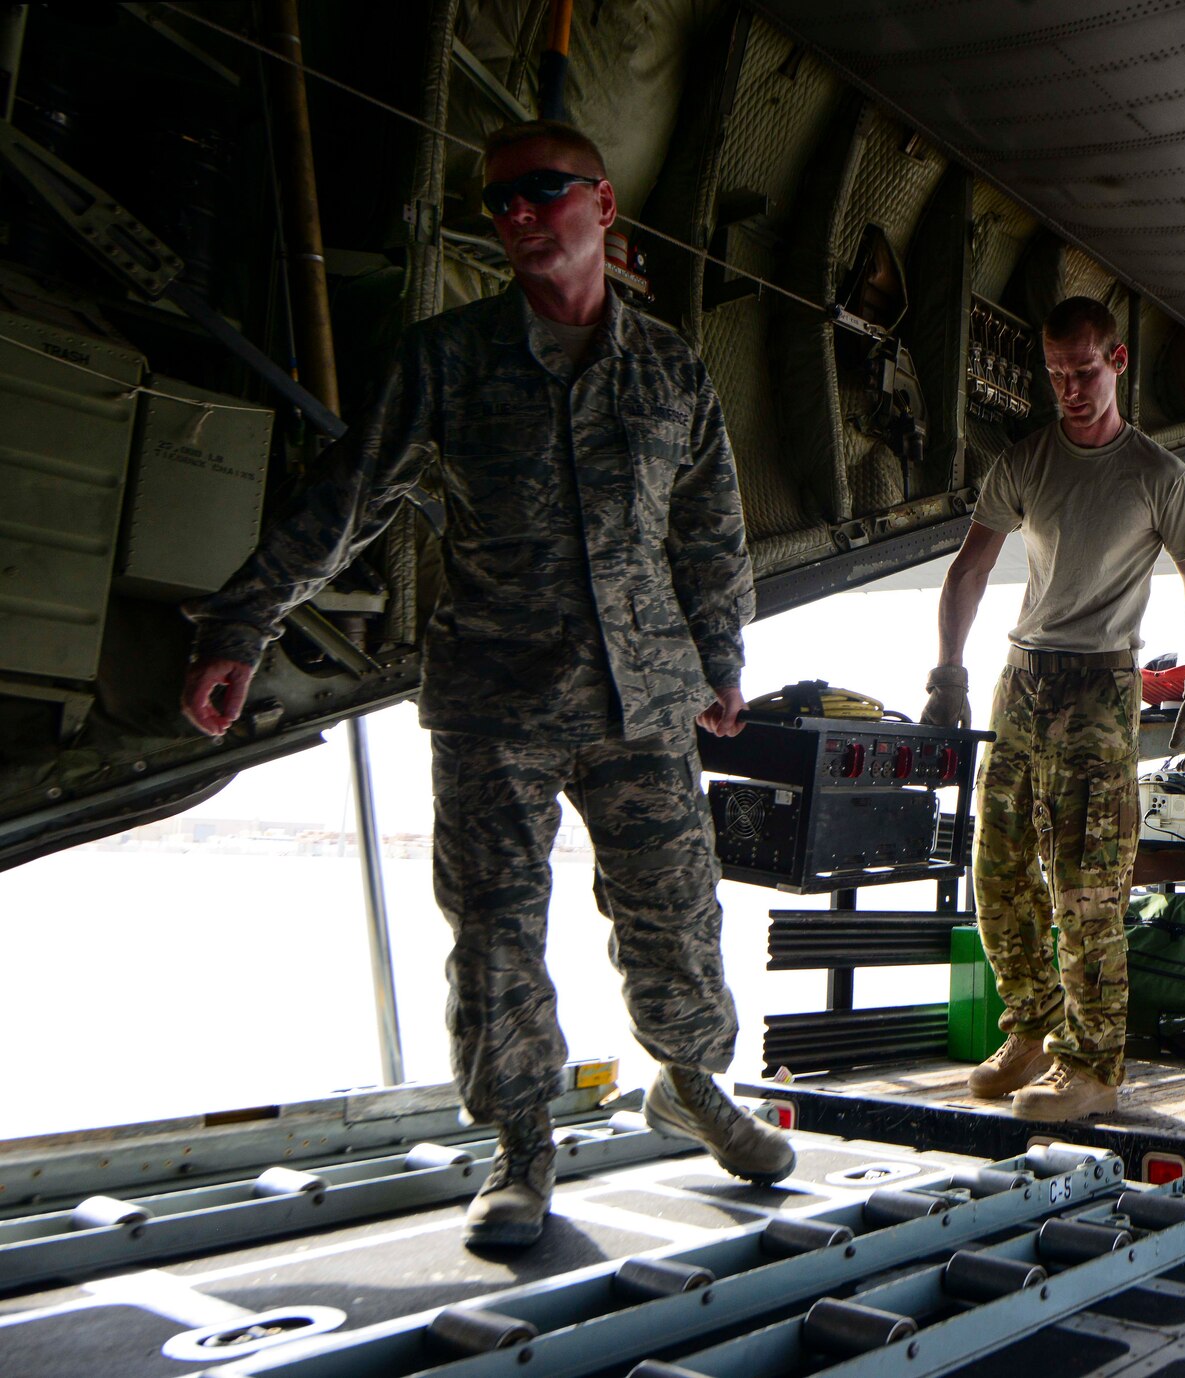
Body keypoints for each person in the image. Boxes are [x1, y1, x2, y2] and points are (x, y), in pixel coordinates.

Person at [180, 119, 791, 1249]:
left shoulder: (669, 367)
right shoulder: (446, 358)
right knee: (498, 929)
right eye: (497, 204)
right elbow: (344, 499)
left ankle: (692, 1081)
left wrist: (719, 662)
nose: (515, 216)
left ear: (600, 207)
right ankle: (520, 1146)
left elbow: (709, 531)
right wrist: (241, 625)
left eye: (539, 193)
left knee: (676, 913)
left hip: (643, 701)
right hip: (495, 703)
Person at [922, 296, 1185, 1121]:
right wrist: (947, 673)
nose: (1071, 390)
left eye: (1084, 372)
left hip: (1101, 686)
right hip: (1021, 679)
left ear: (1116, 363)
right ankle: (1031, 1026)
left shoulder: (1158, 475)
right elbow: (969, 571)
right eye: (1056, 375)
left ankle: (1093, 1066)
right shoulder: (1025, 463)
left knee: (1087, 884)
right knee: (997, 868)